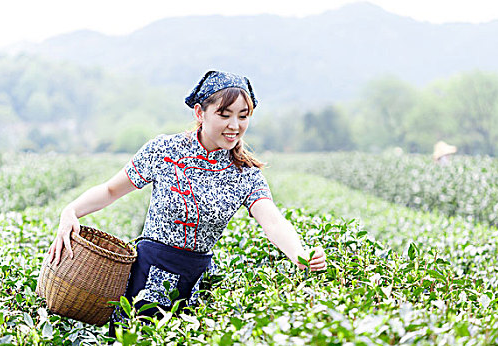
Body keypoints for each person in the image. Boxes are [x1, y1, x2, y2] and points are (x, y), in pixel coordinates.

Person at [47, 70, 326, 331]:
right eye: (224, 114)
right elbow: (110, 190)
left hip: (199, 284)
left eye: (243, 116)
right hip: (148, 277)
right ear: (200, 113)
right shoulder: (165, 150)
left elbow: (273, 221)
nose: (235, 125)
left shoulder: (245, 172)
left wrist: (299, 254)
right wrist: (70, 211)